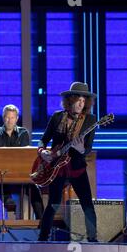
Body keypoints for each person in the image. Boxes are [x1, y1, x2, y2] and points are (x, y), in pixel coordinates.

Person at [37, 82, 98, 242]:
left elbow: (88, 148)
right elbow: (43, 140)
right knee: (53, 204)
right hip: (57, 168)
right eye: (78, 99)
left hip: (77, 168)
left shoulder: (90, 120)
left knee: (87, 204)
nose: (81, 103)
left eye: (84, 101)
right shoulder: (57, 117)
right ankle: (42, 239)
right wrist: (42, 152)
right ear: (70, 100)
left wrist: (80, 149)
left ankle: (92, 239)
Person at [0, 104, 44, 219]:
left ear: (17, 119)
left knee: (34, 188)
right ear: (3, 118)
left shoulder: (23, 133)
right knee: (1, 181)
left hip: (21, 175)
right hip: (2, 174)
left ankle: (42, 221)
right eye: (7, 117)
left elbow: (24, 157)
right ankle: (9, 205)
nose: (9, 120)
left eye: (12, 118)